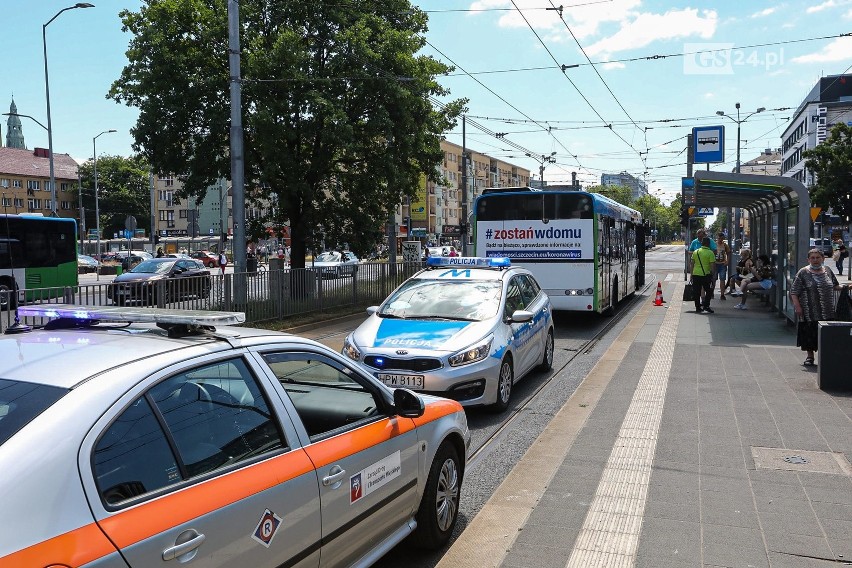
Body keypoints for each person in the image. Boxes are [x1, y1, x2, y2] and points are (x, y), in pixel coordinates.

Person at [789, 249, 850, 367]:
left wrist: (846, 287)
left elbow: (835, 286)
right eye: (813, 258)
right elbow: (794, 292)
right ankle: (810, 356)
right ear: (808, 259)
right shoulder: (803, 272)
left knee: (827, 334)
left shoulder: (827, 270)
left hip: (827, 310)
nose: (815, 260)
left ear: (823, 258)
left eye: (818, 257)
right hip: (809, 310)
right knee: (810, 333)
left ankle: (826, 356)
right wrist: (797, 307)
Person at [690, 236, 716, 313]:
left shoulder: (696, 252)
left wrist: (691, 274)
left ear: (702, 243)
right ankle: (706, 305)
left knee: (696, 292)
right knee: (709, 291)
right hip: (706, 275)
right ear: (708, 244)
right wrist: (713, 274)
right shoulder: (710, 253)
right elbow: (712, 265)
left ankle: (698, 308)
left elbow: (692, 264)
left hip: (696, 274)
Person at [713, 233, 731, 300]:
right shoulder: (714, 245)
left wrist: (727, 261)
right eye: (720, 238)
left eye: (722, 238)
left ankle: (722, 294)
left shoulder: (725, 245)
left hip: (722, 264)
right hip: (715, 264)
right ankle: (711, 293)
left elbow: (729, 253)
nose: (721, 240)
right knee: (713, 279)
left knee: (722, 279)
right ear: (718, 238)